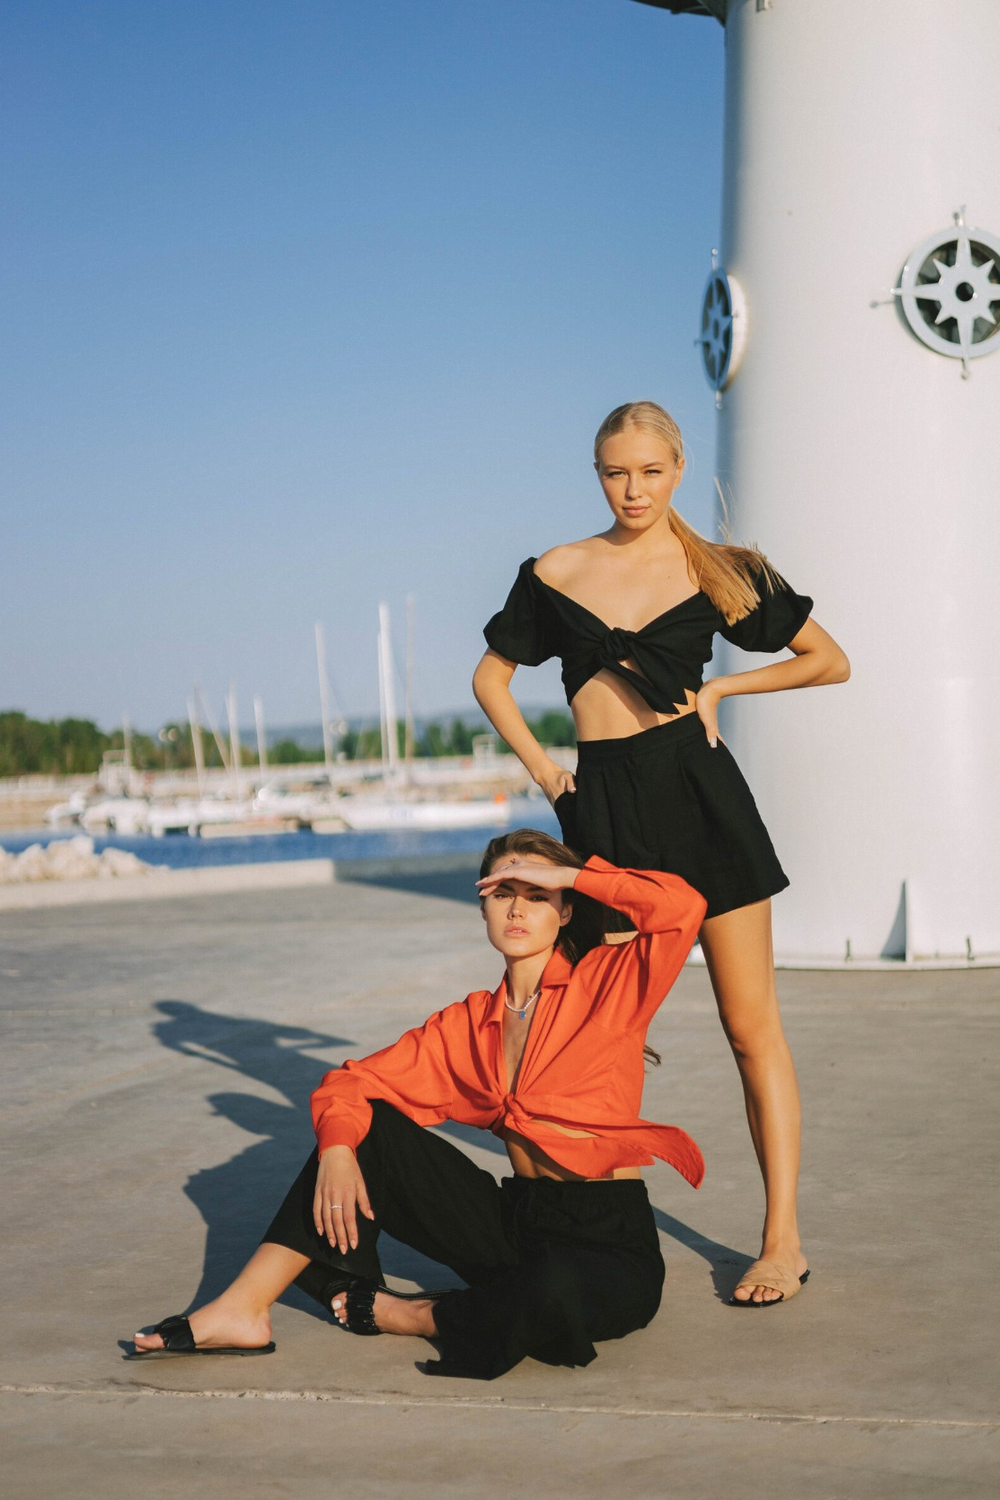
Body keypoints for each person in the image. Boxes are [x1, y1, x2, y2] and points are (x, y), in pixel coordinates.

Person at [473, 401, 850, 1307]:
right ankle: (598, 1232)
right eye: (616, 472)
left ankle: (782, 1243)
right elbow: (491, 679)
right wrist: (549, 775)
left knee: (750, 1029)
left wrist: (722, 693)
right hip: (603, 811)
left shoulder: (719, 570)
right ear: (598, 474)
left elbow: (827, 659)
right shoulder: (555, 571)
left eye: (649, 471)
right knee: (601, 1035)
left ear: (678, 468)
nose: (633, 489)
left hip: (702, 799)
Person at [131, 828, 706, 1379]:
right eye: (502, 893)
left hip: (608, 1240)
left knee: (550, 1290)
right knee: (370, 1131)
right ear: (482, 908)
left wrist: (571, 874)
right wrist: (338, 1151)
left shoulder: (608, 985)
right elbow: (351, 1083)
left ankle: (407, 1313)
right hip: (517, 1224)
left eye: (537, 895)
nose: (517, 909)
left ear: (566, 909)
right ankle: (243, 1307)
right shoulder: (467, 1024)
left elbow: (683, 908)